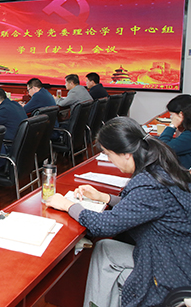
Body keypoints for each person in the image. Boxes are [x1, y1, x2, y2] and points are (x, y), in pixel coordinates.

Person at [45, 117, 191, 307]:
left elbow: (104, 226)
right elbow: (144, 207)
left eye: (109, 154)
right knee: (105, 249)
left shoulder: (149, 182)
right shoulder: (159, 166)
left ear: (126, 154)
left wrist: (67, 205)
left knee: (106, 249)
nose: (110, 161)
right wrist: (105, 197)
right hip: (171, 253)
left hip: (170, 270)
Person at [159, 103, 191, 169]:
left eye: (172, 115)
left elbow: (161, 149)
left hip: (179, 172)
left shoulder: (189, 136)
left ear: (181, 114)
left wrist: (172, 125)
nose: (171, 118)